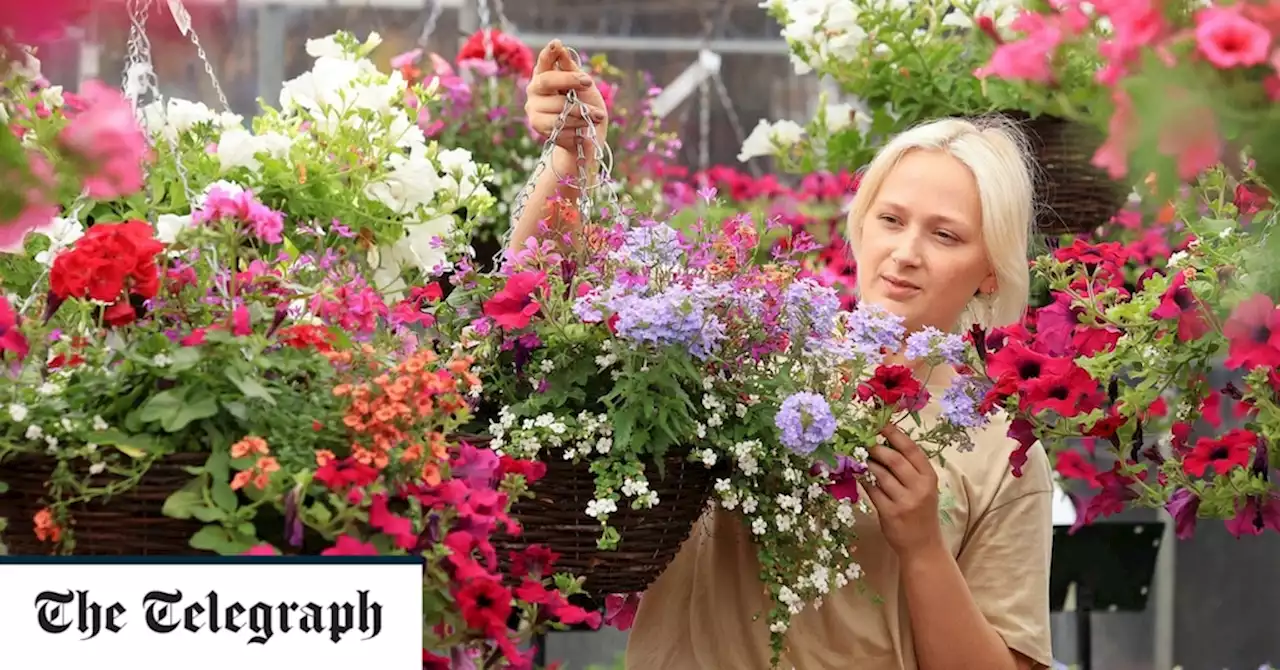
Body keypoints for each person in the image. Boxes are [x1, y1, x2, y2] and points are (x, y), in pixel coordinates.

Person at [516, 40, 1054, 670]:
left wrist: (922, 548)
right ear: (859, 226)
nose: (906, 252)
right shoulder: (752, 353)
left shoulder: (1001, 450)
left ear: (990, 271)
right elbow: (541, 312)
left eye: (945, 235)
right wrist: (571, 161)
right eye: (890, 219)